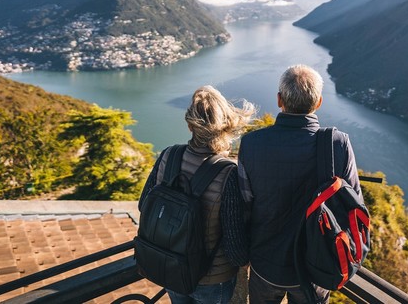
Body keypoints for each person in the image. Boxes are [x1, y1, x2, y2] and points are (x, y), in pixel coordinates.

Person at [237, 64, 363, 304]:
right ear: (318, 103)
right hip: (315, 268)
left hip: (265, 264)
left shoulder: (252, 144)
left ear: (279, 100)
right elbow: (353, 204)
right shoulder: (337, 144)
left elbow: (245, 203)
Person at [139, 85, 255, 304]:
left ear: (190, 125)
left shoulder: (168, 155)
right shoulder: (229, 173)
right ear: (225, 125)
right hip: (213, 279)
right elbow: (234, 243)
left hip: (171, 266)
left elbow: (144, 204)